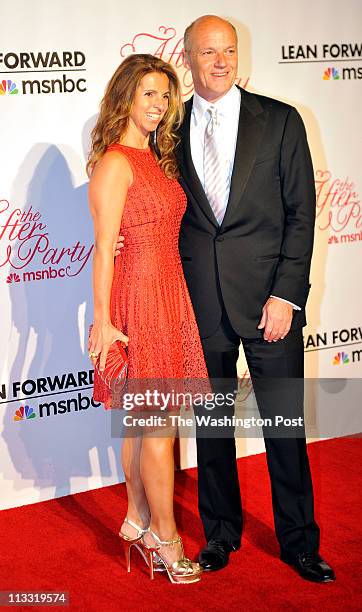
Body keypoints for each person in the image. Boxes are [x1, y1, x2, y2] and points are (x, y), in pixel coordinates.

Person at [176, 15, 336, 582]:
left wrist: (286, 297)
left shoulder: (281, 120)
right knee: (212, 428)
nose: (221, 61)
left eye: (230, 50)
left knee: (285, 426)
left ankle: (298, 540)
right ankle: (220, 532)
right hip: (201, 304)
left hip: (270, 304)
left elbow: (302, 213)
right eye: (209, 52)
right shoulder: (168, 128)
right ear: (188, 58)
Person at [87, 53, 207, 584]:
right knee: (159, 428)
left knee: (144, 425)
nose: (158, 106)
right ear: (125, 98)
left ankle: (137, 516)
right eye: (148, 95)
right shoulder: (116, 162)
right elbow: (103, 246)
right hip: (139, 296)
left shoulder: (155, 158)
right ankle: (165, 535)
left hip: (167, 290)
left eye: (165, 96)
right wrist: (103, 322)